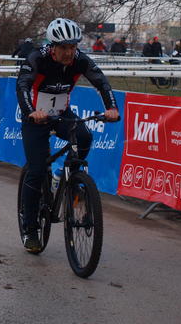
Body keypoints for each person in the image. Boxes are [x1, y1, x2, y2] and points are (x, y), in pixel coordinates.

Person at [16, 18, 119, 253]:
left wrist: (111, 108)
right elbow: (22, 86)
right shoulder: (37, 58)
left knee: (84, 137)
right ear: (53, 47)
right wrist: (31, 112)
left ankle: (69, 176)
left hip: (62, 114)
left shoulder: (80, 60)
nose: (69, 52)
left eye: (73, 47)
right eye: (64, 47)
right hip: (36, 116)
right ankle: (30, 229)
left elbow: (102, 83)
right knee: (36, 171)